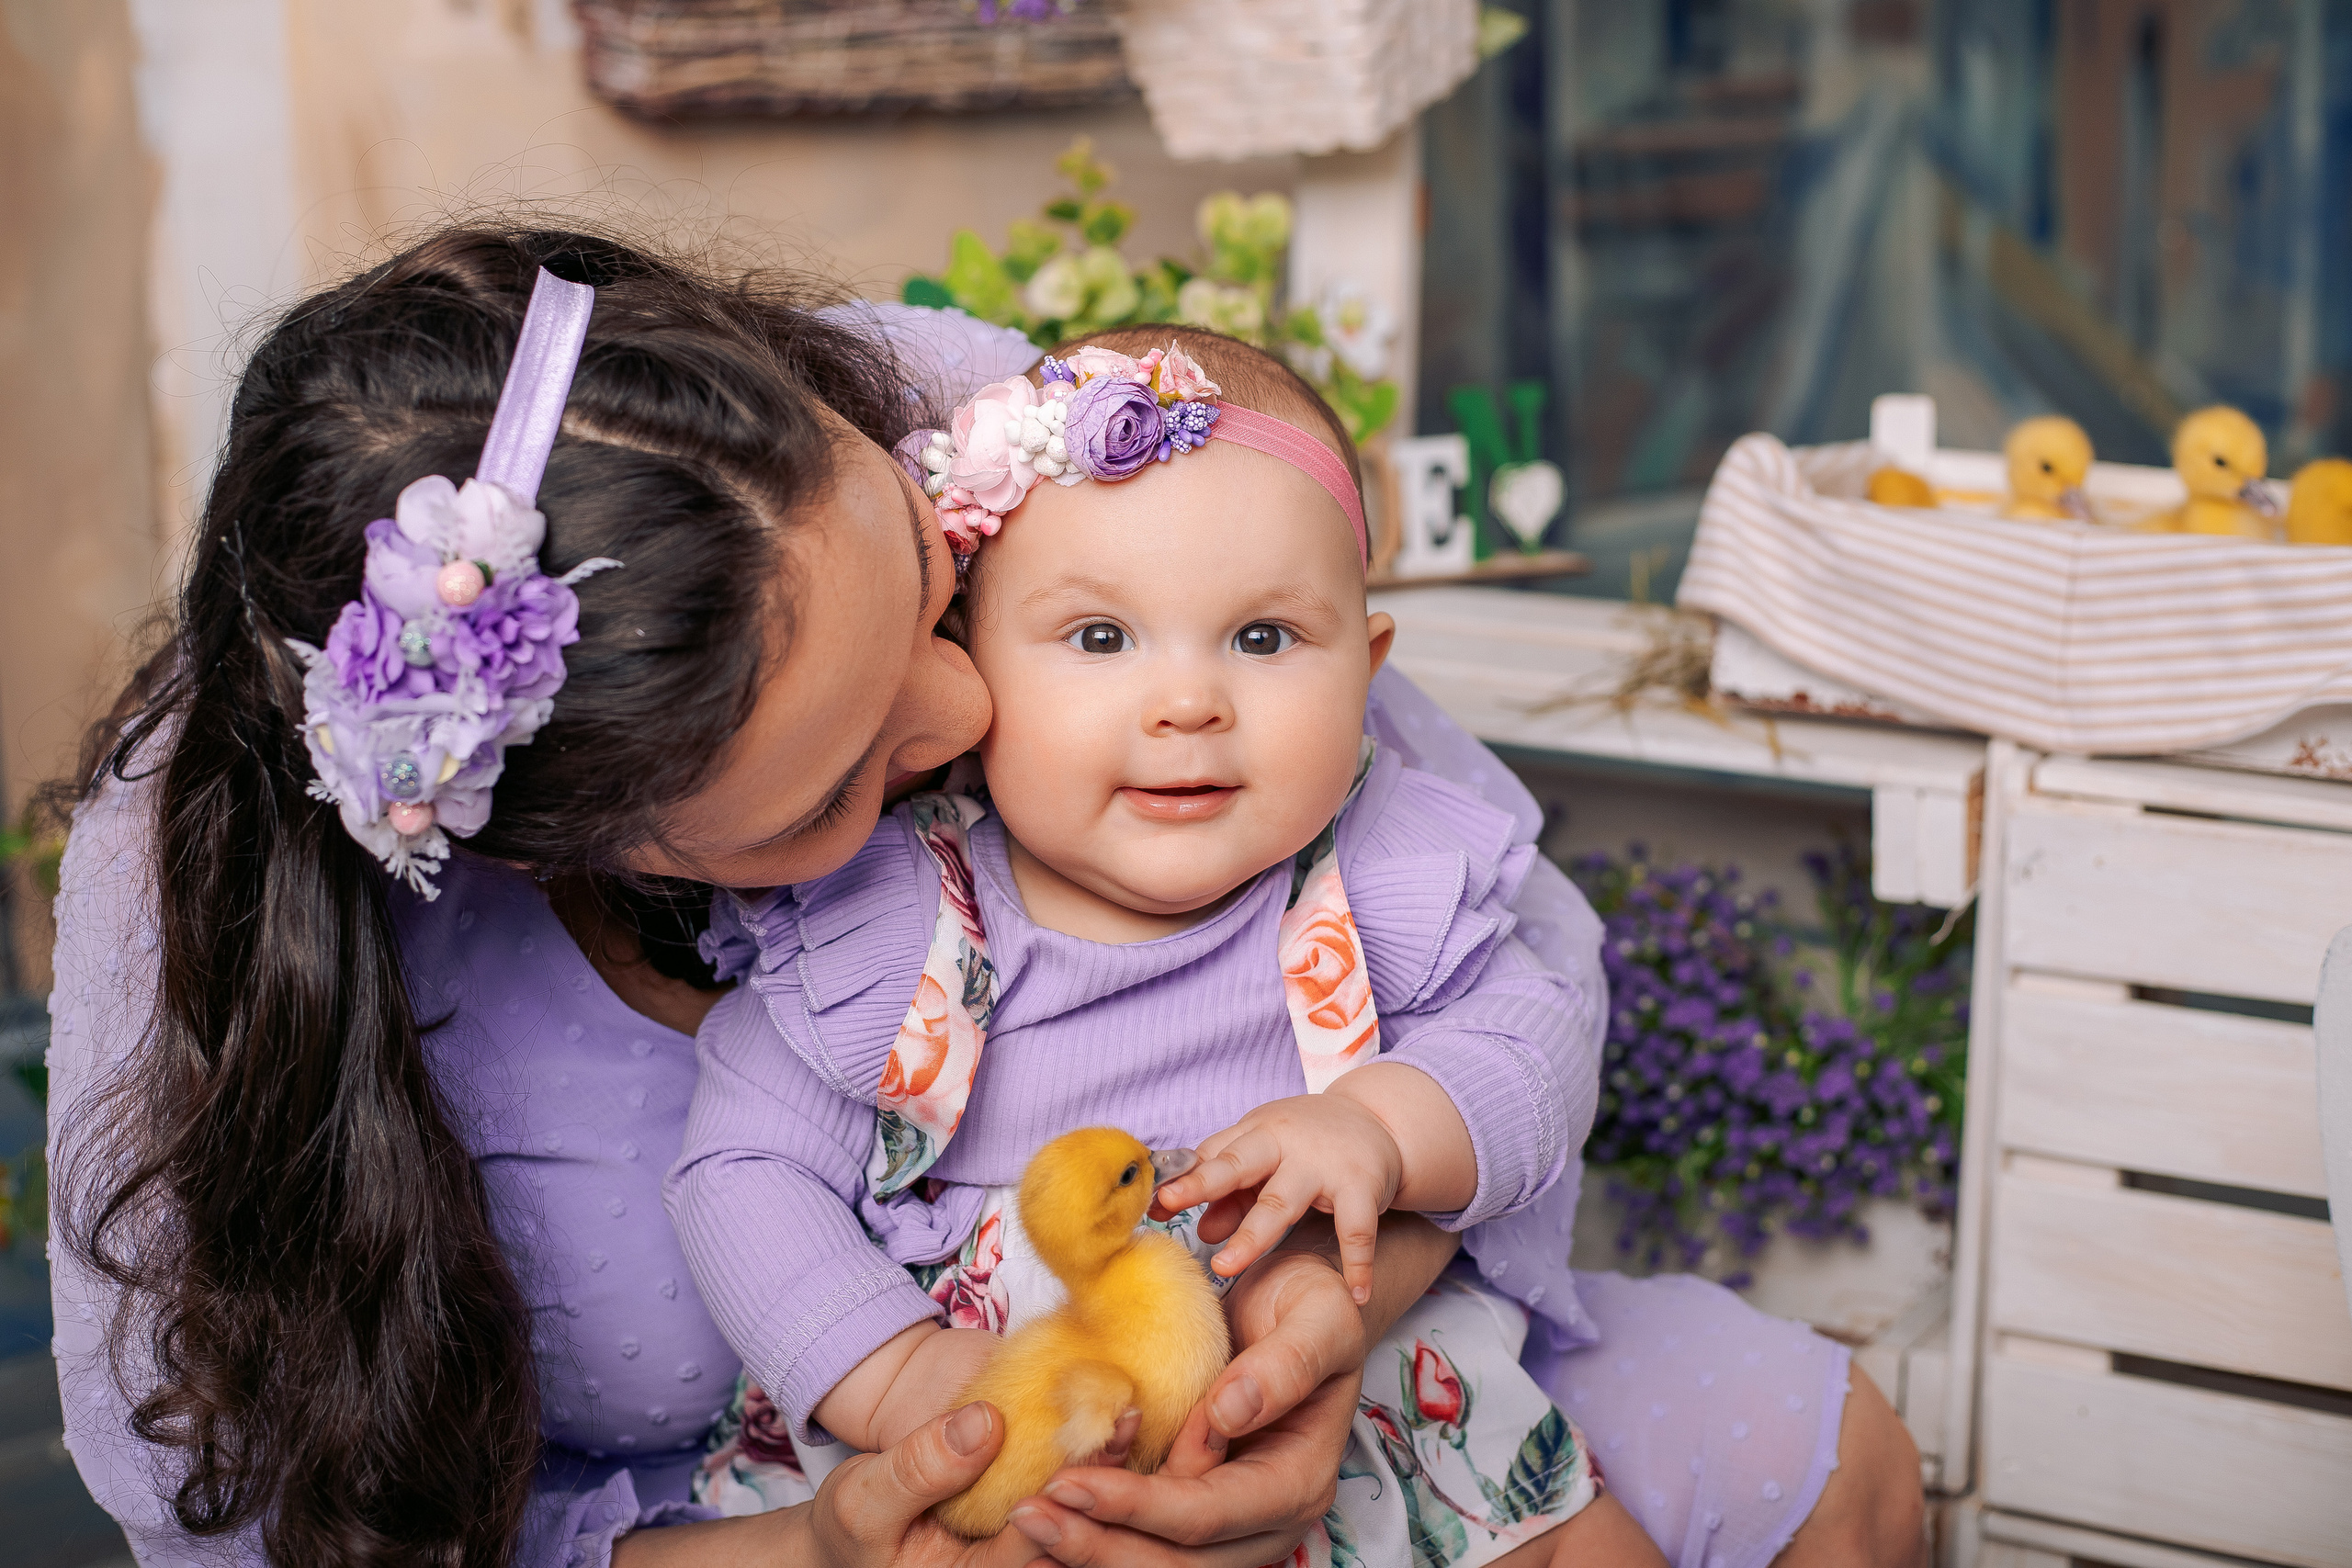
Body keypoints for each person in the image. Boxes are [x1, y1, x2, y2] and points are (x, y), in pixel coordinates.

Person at [46, 225, 1922, 1568]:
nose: (971, 714)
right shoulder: (810, 946)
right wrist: (866, 1478)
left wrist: (1329, 1300)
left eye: (938, 603)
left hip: (1314, 1354)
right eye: (855, 769)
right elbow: (270, 1519)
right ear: (611, 844)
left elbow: (1499, 961)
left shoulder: (1024, 455)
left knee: (1817, 1455)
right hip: (822, 1507)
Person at [669, 326, 1660, 1566]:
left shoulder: (1373, 876)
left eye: (1262, 639)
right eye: (1099, 639)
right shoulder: (904, 917)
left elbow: (1540, 1043)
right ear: (971, 666)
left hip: (1338, 1395)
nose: (1188, 702)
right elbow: (744, 1166)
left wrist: (1382, 1124)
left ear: (1369, 671)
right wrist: (894, 1373)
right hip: (1015, 1414)